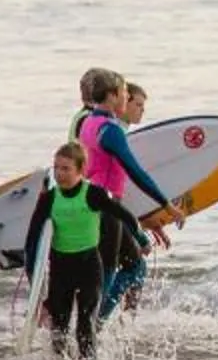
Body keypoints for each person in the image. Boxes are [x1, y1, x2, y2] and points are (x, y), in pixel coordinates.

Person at [21, 141, 146, 360]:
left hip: (89, 267)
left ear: (80, 170)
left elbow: (123, 215)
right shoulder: (48, 199)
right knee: (59, 327)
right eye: (56, 168)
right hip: (60, 270)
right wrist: (35, 282)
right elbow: (32, 241)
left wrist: (141, 238)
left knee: (85, 326)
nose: (60, 174)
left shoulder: (93, 194)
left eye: (66, 168)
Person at [72, 69, 178, 317]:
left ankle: (93, 326)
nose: (125, 98)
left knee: (134, 267)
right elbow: (135, 171)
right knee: (111, 272)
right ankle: (94, 327)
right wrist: (165, 203)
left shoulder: (88, 124)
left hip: (94, 204)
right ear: (111, 96)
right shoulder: (110, 130)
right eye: (123, 93)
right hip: (107, 209)